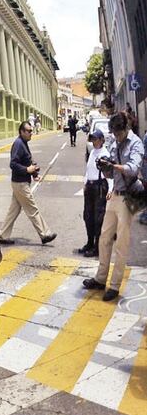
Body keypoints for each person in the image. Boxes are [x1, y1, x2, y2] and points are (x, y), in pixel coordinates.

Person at [83, 113, 144, 301]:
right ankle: (100, 279)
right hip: (115, 195)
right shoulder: (114, 142)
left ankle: (115, 285)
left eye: (118, 134)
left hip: (128, 199)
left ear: (126, 128)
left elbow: (133, 168)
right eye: (114, 134)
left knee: (122, 244)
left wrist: (115, 165)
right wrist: (104, 166)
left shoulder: (136, 143)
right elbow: (110, 173)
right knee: (104, 237)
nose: (116, 138)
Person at [0, 122, 56, 245]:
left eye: (31, 130)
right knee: (32, 209)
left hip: (20, 182)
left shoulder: (23, 143)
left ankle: (2, 235)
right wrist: (26, 170)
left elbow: (27, 161)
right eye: (28, 131)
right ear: (21, 132)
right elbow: (13, 164)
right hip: (20, 183)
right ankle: (45, 234)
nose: (31, 133)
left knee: (13, 211)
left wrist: (34, 173)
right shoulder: (18, 144)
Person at [79, 129, 109, 258]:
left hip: (99, 187)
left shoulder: (105, 154)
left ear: (102, 140)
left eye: (96, 139)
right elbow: (88, 169)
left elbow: (109, 175)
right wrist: (85, 183)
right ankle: (90, 243)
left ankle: (97, 248)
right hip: (90, 187)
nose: (94, 141)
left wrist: (111, 190)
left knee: (98, 219)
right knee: (88, 216)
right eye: (92, 139)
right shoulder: (92, 153)